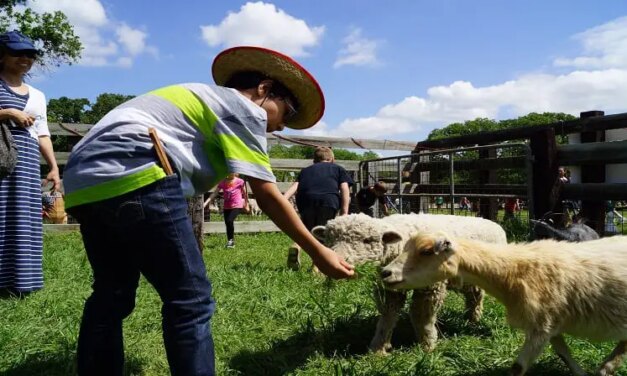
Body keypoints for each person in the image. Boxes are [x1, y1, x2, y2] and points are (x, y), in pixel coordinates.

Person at [62, 46, 354, 376]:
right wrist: (318, 252)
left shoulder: (203, 97)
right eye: (286, 113)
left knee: (111, 293)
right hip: (137, 169)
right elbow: (267, 194)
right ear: (264, 89)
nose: (281, 127)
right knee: (190, 300)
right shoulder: (244, 109)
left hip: (81, 181)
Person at [0, 30, 60, 294]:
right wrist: (7, 112)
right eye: (17, 53)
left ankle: (22, 283)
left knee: (23, 218)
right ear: (2, 56)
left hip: (24, 163)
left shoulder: (37, 95)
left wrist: (54, 166)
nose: (25, 58)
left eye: (30, 54)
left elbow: (43, 133)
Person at [283, 146, 353, 270]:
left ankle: (297, 246)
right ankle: (317, 267)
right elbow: (344, 189)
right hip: (328, 201)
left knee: (305, 229)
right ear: (332, 159)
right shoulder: (338, 169)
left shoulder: (305, 170)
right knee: (323, 233)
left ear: (314, 160)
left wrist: (284, 199)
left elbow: (295, 187)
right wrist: (344, 211)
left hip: (305, 201)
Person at [206, 173, 249, 248]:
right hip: (226, 207)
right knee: (228, 224)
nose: (231, 173)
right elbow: (215, 193)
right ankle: (230, 241)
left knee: (229, 220)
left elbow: (245, 194)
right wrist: (205, 203)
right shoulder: (222, 182)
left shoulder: (240, 181)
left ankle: (231, 241)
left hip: (237, 205)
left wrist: (246, 203)